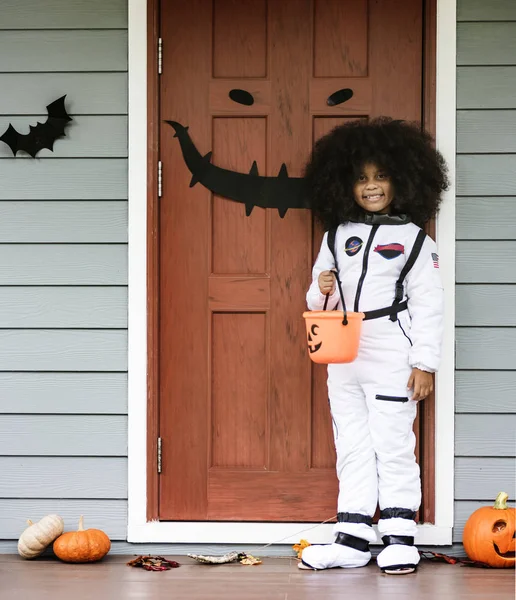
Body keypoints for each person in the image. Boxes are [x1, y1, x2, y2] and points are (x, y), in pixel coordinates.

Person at [301, 117, 448, 575]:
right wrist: (321, 287)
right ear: (345, 184)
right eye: (362, 178)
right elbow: (316, 300)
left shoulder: (415, 241)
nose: (371, 187)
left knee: (393, 443)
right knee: (352, 444)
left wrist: (424, 363)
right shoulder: (335, 235)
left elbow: (429, 304)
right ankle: (352, 537)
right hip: (342, 352)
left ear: (402, 180)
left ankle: (400, 535)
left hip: (391, 351)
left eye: (381, 176)